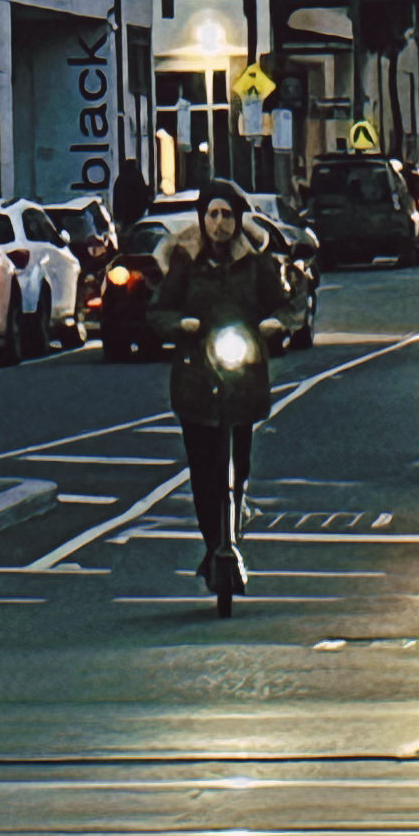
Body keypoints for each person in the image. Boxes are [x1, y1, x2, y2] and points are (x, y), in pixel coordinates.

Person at [150, 177, 293, 600]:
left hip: (242, 374)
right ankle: (215, 545)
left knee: (238, 465)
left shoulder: (254, 261)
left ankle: (231, 536)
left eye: (227, 215)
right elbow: (160, 310)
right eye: (212, 214)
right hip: (197, 375)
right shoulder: (186, 262)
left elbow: (284, 300)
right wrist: (180, 325)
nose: (219, 224)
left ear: (237, 220)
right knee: (203, 469)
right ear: (202, 218)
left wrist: (275, 323)